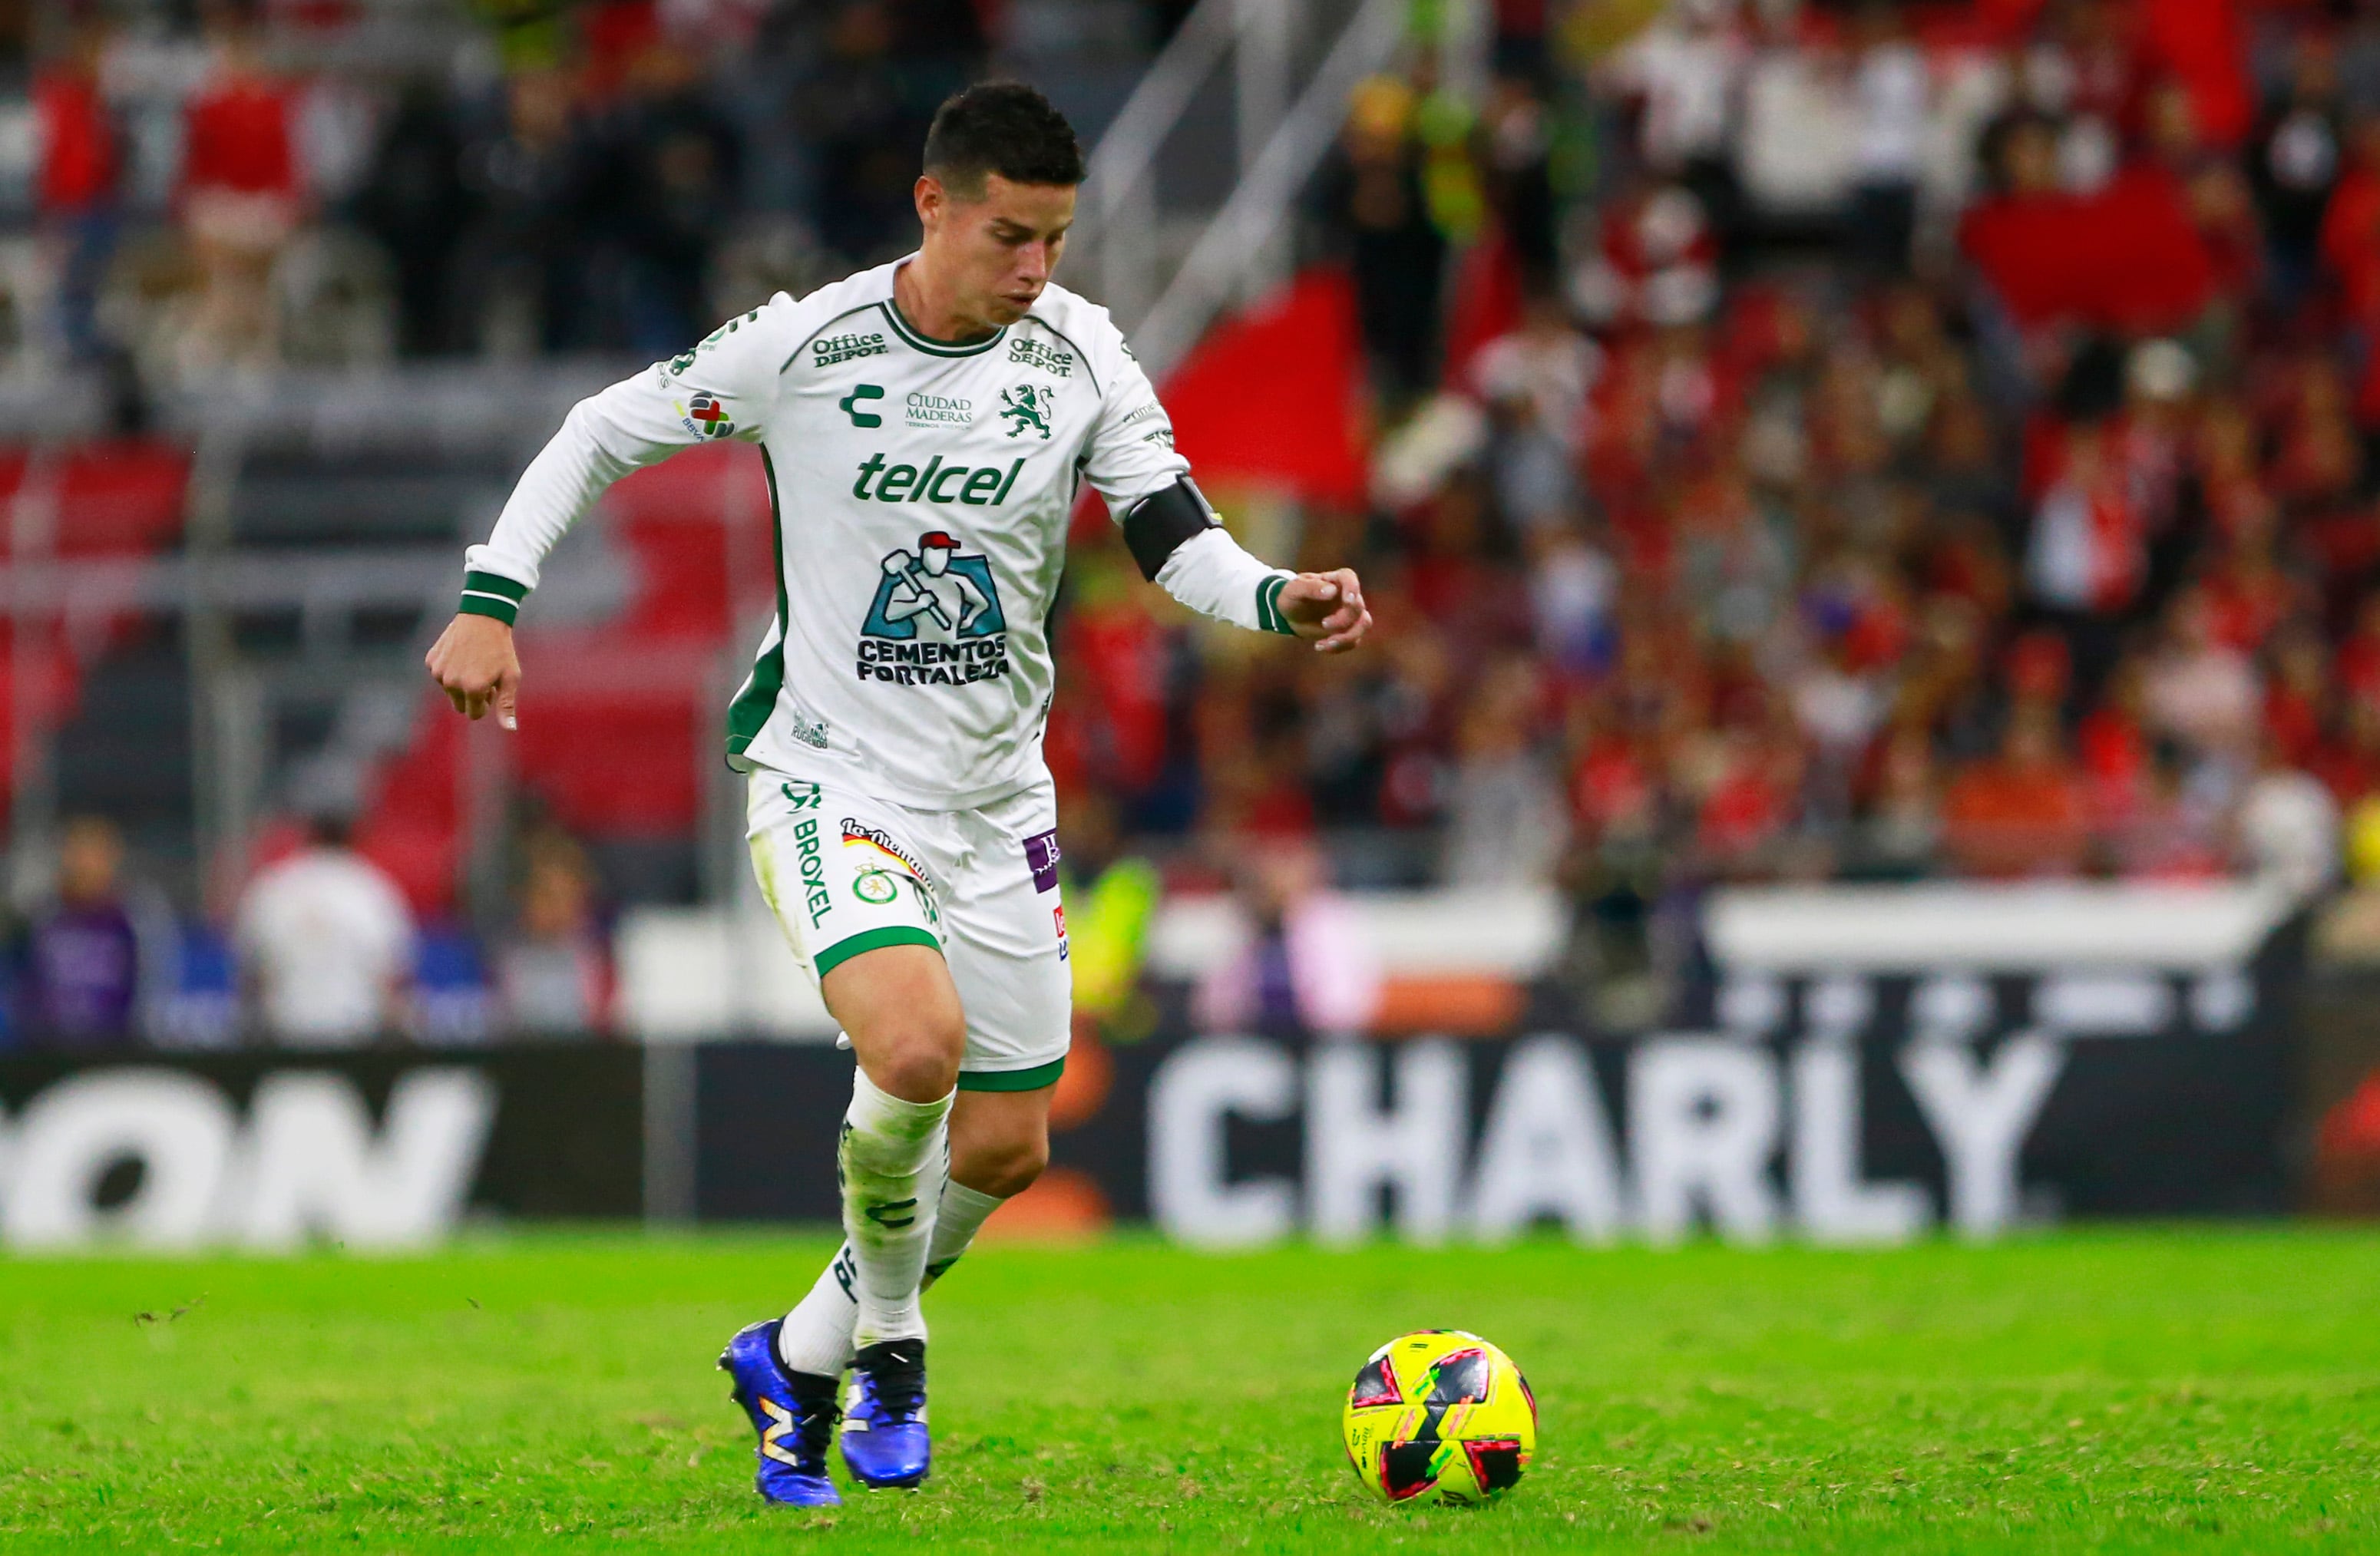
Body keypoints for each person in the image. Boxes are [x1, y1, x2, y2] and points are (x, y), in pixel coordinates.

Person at [424, 83, 1373, 1506]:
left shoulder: (1079, 350)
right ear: (933, 207)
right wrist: (493, 600)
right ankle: (888, 1342)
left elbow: (1173, 532)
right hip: (827, 771)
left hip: (996, 803)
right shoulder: (807, 342)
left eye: (1054, 239)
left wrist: (1278, 598)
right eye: (1009, 237)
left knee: (1006, 1142)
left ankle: (793, 1352)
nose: (1036, 271)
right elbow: (600, 429)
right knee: (916, 1048)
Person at [233, 813, 415, 1046]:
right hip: (355, 1041)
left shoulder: (272, 886)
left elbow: (252, 980)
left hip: (284, 1042)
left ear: (307, 833)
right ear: (354, 833)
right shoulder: (373, 888)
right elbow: (392, 985)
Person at [17, 817, 165, 1049]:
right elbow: (25, 988)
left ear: (113, 858)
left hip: (117, 1049)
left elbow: (153, 988)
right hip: (48, 1051)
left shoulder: (135, 918)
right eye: (78, 853)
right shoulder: (43, 918)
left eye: (94, 855)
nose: (85, 864)